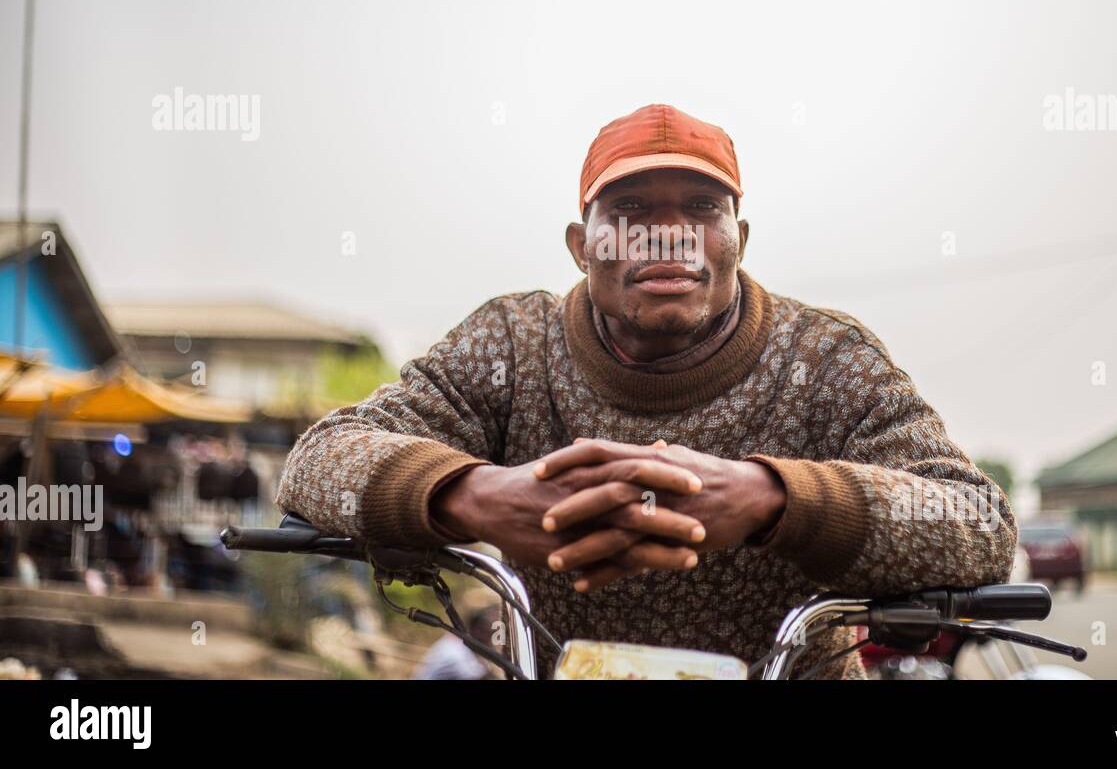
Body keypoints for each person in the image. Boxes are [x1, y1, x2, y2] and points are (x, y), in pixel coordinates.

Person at [276, 103, 1018, 678]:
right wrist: (473, 498)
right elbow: (319, 457)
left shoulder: (825, 359)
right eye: (630, 213)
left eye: (700, 208)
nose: (669, 237)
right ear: (580, 246)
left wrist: (776, 499)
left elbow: (981, 521)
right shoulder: (510, 342)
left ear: (740, 238)